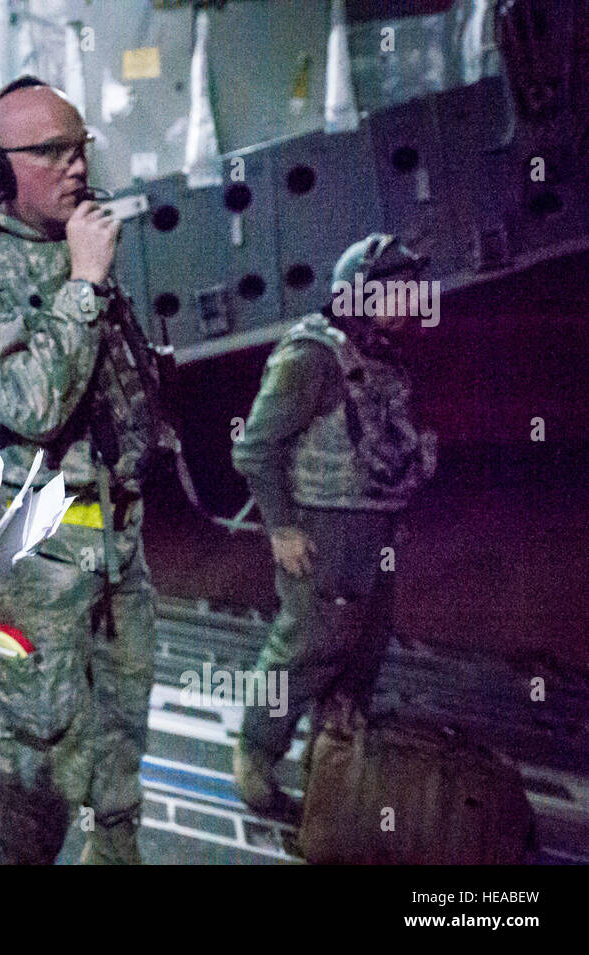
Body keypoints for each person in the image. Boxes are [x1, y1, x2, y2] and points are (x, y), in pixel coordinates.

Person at [0, 76, 162, 864]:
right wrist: (86, 284)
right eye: (52, 151)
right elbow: (34, 405)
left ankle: (116, 848)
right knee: (43, 745)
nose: (76, 166)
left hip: (114, 538)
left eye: (80, 146)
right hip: (33, 565)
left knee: (124, 716)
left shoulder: (69, 244)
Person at [230, 233, 437, 816]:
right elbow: (256, 448)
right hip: (322, 533)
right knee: (304, 648)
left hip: (375, 532)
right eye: (400, 291)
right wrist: (281, 529)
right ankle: (254, 758)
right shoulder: (312, 357)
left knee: (362, 652)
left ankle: (332, 770)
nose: (414, 302)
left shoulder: (381, 356)